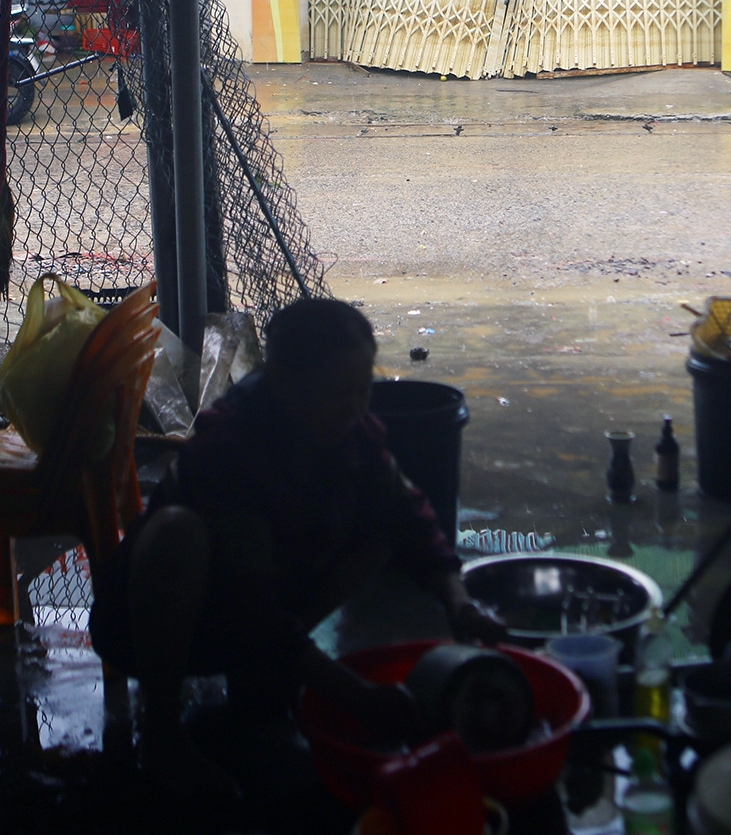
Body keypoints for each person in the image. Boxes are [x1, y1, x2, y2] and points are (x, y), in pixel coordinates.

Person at [88, 296, 505, 790]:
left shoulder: (350, 428)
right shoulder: (230, 445)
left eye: (362, 389)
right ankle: (162, 734)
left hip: (246, 621)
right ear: (282, 382)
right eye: (336, 392)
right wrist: (354, 695)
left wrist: (459, 602)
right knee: (176, 532)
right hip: (147, 631)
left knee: (381, 534)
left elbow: (409, 514)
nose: (354, 408)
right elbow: (251, 607)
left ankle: (266, 675)